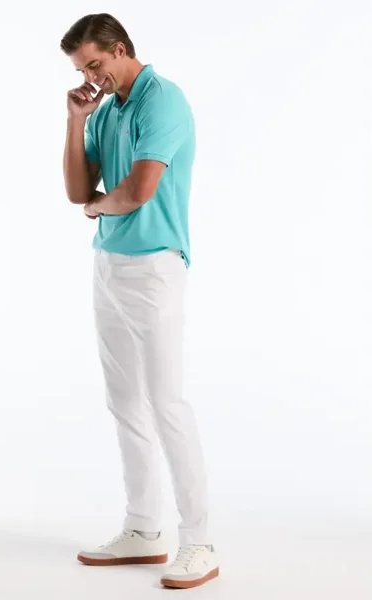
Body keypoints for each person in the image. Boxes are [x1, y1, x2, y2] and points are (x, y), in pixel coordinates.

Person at [60, 13, 219, 589]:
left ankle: (199, 541)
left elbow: (136, 191)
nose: (91, 78)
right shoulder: (105, 111)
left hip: (155, 267)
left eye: (95, 64)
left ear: (121, 49)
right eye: (81, 70)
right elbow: (77, 190)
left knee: (166, 402)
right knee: (125, 402)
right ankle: (144, 529)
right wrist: (76, 121)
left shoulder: (163, 101)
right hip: (109, 265)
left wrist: (98, 207)